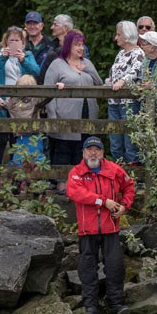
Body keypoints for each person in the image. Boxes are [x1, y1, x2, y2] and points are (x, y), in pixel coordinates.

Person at [66, 136, 136, 314]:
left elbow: (129, 186)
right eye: (89, 149)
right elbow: (75, 193)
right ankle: (90, 306)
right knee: (87, 269)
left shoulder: (114, 169)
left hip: (110, 228)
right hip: (87, 230)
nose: (93, 152)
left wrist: (124, 206)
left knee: (115, 267)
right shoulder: (76, 172)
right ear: (83, 152)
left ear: (103, 153)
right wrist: (103, 201)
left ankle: (117, 303)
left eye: (97, 149)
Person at [44, 29, 103, 192]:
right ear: (69, 45)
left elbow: (99, 84)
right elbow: (47, 92)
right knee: (63, 148)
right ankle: (62, 183)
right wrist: (53, 116)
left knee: (82, 147)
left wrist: (87, 70)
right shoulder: (57, 64)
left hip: (87, 113)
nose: (81, 48)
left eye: (82, 44)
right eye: (77, 44)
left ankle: (81, 184)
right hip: (64, 113)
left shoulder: (88, 63)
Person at [0, 26, 39, 163]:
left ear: (22, 42)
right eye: (11, 40)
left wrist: (24, 61)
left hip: (21, 104)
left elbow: (36, 71)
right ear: (6, 42)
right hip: (2, 102)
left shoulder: (27, 55)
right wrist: (2, 58)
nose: (14, 43)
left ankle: (16, 180)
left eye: (17, 40)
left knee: (18, 143)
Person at [107, 21, 144, 165]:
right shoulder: (120, 54)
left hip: (129, 102)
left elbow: (135, 71)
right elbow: (113, 74)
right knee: (115, 140)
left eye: (119, 34)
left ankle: (133, 175)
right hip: (114, 101)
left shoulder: (138, 53)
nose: (116, 38)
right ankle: (118, 172)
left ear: (127, 36)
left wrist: (122, 81)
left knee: (130, 140)